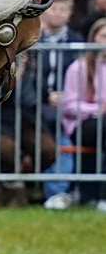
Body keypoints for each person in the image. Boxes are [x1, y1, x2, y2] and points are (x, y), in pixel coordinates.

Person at [51, 16, 106, 210]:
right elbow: (69, 105)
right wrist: (98, 109)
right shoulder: (79, 68)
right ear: (93, 39)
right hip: (81, 124)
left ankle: (93, 195)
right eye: (103, 36)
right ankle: (96, 195)